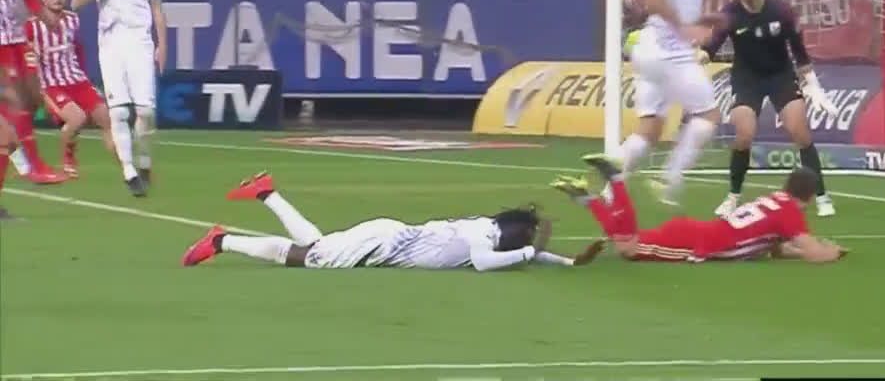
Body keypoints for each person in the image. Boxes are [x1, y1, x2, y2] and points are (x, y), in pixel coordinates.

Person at [182, 172, 604, 270]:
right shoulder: (481, 241)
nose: (526, 243)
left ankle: (266, 192)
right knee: (305, 258)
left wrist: (568, 261)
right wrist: (532, 251)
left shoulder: (486, 229)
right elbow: (484, 263)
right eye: (525, 238)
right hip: (383, 244)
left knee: (316, 247)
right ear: (512, 235)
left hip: (387, 233)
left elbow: (519, 251)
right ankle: (220, 242)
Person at [702, 0, 838, 218]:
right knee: (744, 134)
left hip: (780, 76)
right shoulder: (729, 13)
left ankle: (821, 196)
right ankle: (733, 197)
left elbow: (800, 54)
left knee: (800, 133)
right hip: (747, 79)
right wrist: (696, 58)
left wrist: (815, 88)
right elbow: (711, 47)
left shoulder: (781, 11)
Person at [615, 0, 722, 205]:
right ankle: (669, 179)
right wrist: (684, 28)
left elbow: (667, 0)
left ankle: (609, 184)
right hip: (669, 51)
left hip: (651, 50)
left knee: (650, 130)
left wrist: (698, 21)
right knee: (709, 115)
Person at [553, 157, 846, 263]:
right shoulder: (790, 212)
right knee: (628, 247)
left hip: (696, 231)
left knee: (624, 240)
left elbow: (776, 248)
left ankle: (588, 199)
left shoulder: (776, 200)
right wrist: (830, 251)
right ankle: (616, 182)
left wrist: (804, 250)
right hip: (700, 244)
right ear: (810, 196)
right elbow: (814, 255)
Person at [71, 0, 166, 197]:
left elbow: (157, 9)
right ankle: (129, 171)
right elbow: (75, 3)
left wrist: (162, 45)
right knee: (119, 112)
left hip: (141, 44)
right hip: (111, 46)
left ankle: (144, 160)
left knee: (146, 112)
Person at [24, 0, 115, 178]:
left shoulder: (73, 20)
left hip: (77, 80)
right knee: (77, 118)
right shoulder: (32, 26)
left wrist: (84, 76)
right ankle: (68, 160)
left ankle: (126, 165)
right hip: (51, 84)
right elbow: (28, 58)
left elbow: (78, 48)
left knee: (106, 118)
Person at [0, 0, 66, 186]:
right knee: (12, 108)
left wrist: (46, 18)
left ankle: (29, 165)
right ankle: (33, 166)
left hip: (16, 40)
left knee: (29, 100)